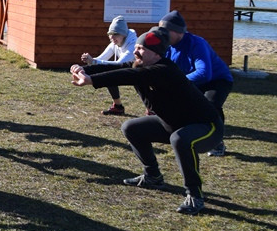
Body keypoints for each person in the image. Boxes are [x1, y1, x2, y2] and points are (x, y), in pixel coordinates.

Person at [71, 26, 222, 215]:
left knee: (180, 140)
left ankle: (195, 196)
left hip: (207, 127)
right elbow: (115, 68)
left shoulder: (165, 70)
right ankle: (153, 176)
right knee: (132, 127)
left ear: (156, 54)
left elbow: (127, 76)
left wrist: (91, 80)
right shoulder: (140, 65)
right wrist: (83, 69)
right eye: (137, 47)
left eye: (141, 49)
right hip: (173, 124)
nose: (135, 51)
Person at [158, 10, 234, 156]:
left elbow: (204, 73)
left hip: (217, 80)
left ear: (179, 32)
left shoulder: (197, 43)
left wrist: (177, 82)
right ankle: (185, 135)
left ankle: (217, 143)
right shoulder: (167, 46)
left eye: (166, 30)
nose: (163, 34)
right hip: (191, 81)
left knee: (210, 105)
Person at [79, 15, 137, 115]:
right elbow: (101, 59)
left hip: (140, 70)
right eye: (110, 34)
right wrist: (89, 61)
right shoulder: (115, 42)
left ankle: (151, 111)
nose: (112, 37)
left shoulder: (133, 45)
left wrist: (94, 62)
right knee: (109, 73)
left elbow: (119, 64)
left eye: (115, 34)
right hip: (128, 69)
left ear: (123, 35)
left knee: (142, 86)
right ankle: (118, 106)